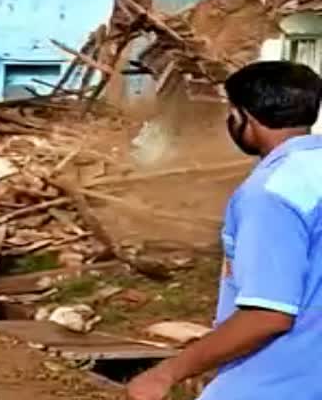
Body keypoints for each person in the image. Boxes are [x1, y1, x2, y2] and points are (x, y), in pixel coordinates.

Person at [127, 60, 322, 400]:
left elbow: (268, 314)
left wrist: (166, 373)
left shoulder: (272, 192)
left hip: (278, 383)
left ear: (245, 117)